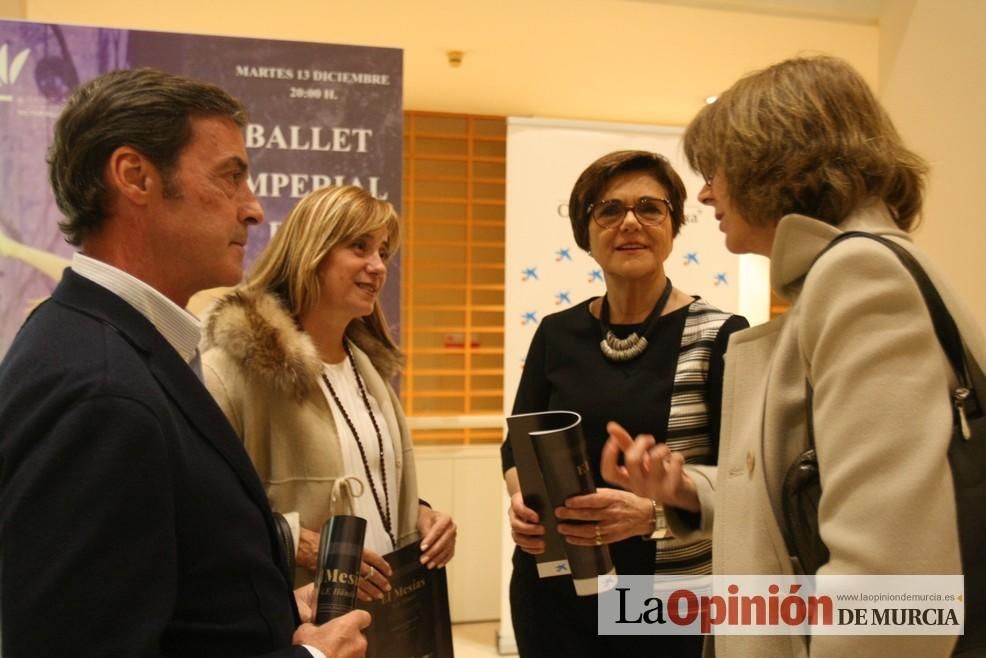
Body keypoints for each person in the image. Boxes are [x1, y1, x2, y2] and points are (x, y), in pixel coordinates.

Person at [602, 56, 986, 657]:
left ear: (769, 161)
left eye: (715, 170)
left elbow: (889, 583)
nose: (705, 193)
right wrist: (690, 490)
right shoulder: (859, 270)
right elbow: (811, 486)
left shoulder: (859, 276)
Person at [0, 68, 370, 658]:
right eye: (230, 178)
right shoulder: (102, 390)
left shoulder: (123, 348)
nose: (252, 210)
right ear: (135, 177)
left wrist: (269, 606)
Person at [501, 150, 748, 657]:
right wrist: (523, 504)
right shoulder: (557, 333)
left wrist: (651, 514)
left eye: (649, 208)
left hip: (662, 596)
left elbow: (743, 481)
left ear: (673, 226)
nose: (629, 222)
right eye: (609, 210)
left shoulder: (720, 335)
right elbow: (516, 448)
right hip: (554, 589)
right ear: (585, 234)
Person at [200, 184, 456, 599]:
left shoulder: (368, 369)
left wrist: (421, 515)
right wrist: (296, 542)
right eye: (360, 247)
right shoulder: (231, 371)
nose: (378, 266)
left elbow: (371, 479)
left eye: (384, 253)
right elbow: (201, 511)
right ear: (311, 253)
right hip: (295, 618)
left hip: (386, 613)